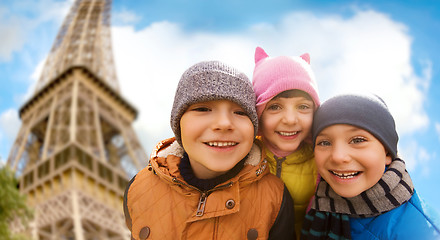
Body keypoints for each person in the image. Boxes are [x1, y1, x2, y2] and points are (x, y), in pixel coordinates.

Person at [123, 60, 296, 240]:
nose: (223, 124)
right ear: (178, 123)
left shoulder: (275, 198)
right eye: (203, 109)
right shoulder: (138, 188)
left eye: (240, 112)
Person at [301, 93, 440, 239]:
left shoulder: (420, 231)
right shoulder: (321, 200)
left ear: (387, 153)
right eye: (325, 142)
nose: (338, 156)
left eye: (357, 140)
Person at [252, 46, 320, 237]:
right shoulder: (242, 157)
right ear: (257, 113)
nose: (290, 119)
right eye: (274, 106)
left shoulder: (322, 161)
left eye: (303, 106)